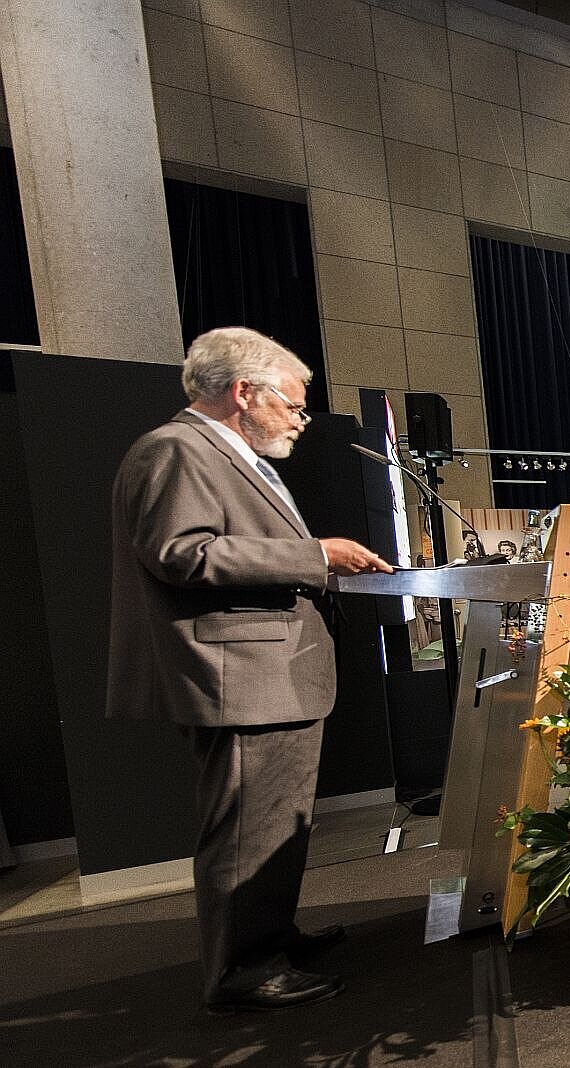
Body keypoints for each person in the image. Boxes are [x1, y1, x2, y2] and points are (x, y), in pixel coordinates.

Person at [107, 327, 392, 1013]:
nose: (298, 420)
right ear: (242, 393)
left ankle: (270, 937)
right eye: (291, 406)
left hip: (268, 675)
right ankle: (240, 970)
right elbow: (181, 552)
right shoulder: (176, 451)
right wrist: (315, 557)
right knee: (244, 830)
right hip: (237, 676)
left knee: (277, 822)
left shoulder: (229, 457)